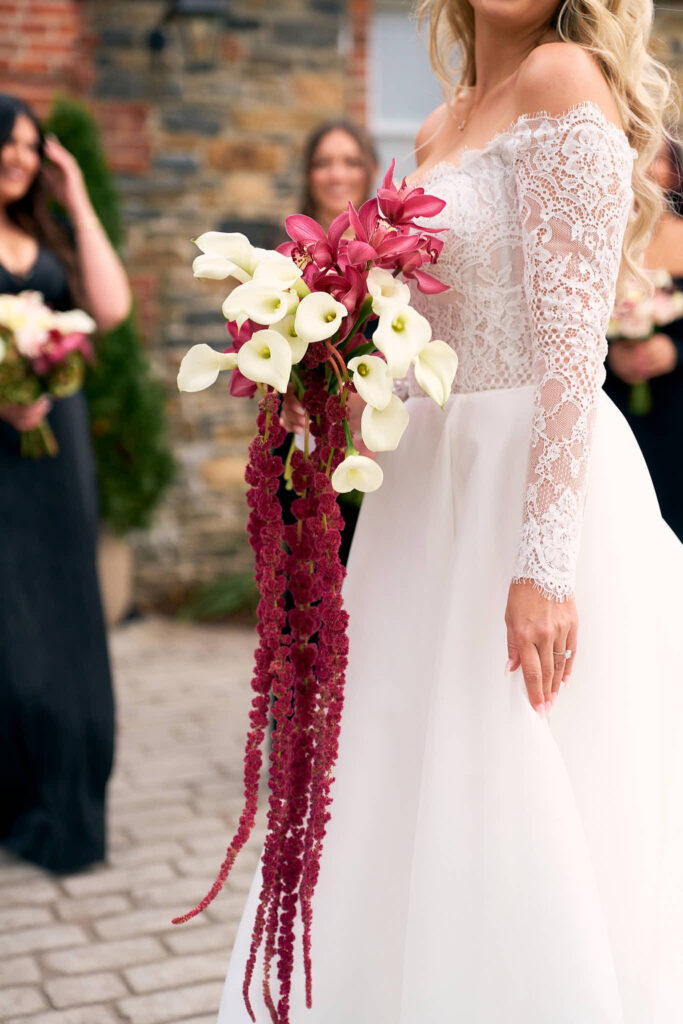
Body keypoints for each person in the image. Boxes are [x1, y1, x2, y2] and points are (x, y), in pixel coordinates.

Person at [219, 2, 683, 1021]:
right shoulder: (438, 126)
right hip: (422, 483)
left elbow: (572, 351)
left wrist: (543, 564)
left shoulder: (565, 79)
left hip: (525, 481)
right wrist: (319, 348)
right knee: (389, 765)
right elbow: (418, 326)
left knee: (506, 774)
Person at [0, 94, 131, 872]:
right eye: (5, 143)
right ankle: (17, 789)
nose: (16, 157)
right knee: (12, 622)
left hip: (58, 445)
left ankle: (72, 792)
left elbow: (109, 308)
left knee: (68, 607)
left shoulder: (43, 233)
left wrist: (76, 194)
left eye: (28, 146)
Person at [281, 120, 378, 563]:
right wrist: (287, 395)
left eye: (350, 161)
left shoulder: (385, 263)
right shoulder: (283, 260)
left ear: (369, 169)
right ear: (308, 174)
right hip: (304, 445)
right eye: (323, 162)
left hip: (375, 444)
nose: (337, 173)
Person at [603, 135, 683, 540]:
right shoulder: (603, 239)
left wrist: (675, 348)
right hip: (616, 401)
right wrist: (609, 357)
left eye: (661, 159)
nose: (651, 169)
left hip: (676, 407)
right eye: (642, 157)